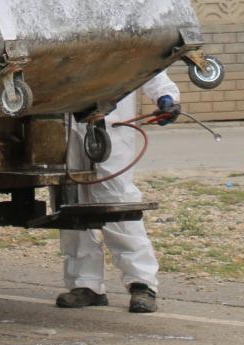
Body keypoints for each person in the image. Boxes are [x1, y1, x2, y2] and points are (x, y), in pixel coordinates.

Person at [56, 70, 181, 314]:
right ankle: (85, 284)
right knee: (72, 203)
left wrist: (165, 95)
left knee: (118, 202)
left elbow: (146, 61)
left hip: (111, 124)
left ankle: (142, 283)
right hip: (66, 123)